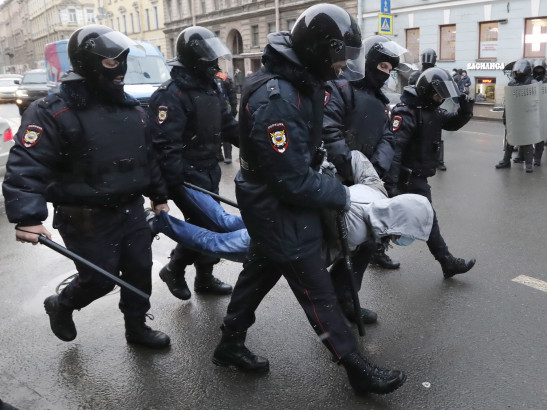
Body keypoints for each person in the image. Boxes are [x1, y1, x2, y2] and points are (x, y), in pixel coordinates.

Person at [211, 4, 406, 395]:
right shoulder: (278, 98)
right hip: (278, 205)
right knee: (316, 289)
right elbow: (291, 180)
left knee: (260, 270)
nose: (341, 67)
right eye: (338, 58)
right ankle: (355, 367)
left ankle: (230, 343)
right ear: (320, 49)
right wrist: (341, 195)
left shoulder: (296, 81)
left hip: (276, 203)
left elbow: (303, 155)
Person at [2, 25, 171, 348]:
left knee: (139, 270)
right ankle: (63, 304)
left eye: (123, 60)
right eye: (111, 62)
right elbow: (27, 163)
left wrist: (159, 197)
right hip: (85, 215)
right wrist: (27, 215)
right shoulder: (53, 111)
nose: (120, 69)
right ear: (89, 62)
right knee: (99, 278)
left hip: (131, 208)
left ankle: (136, 327)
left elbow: (148, 159)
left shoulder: (131, 109)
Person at [147, 151, 434, 326]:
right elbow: (322, 257)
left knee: (224, 222)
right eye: (404, 233)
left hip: (280, 218)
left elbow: (358, 158)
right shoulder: (359, 227)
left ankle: (181, 186)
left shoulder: (375, 194)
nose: (400, 239)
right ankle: (159, 221)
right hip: (283, 236)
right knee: (215, 243)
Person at [149, 26, 240, 300]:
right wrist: (172, 186)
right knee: (205, 226)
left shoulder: (211, 87)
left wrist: (253, 145)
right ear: (193, 60)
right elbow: (165, 145)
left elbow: (226, 124)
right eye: (208, 61)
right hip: (186, 175)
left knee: (207, 225)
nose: (214, 66)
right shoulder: (171, 94)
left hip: (209, 169)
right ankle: (175, 268)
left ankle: (204, 277)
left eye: (215, 60)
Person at [323, 35, 409, 271]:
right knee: (332, 244)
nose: (385, 73)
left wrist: (373, 174)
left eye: (390, 69)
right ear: (368, 62)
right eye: (382, 66)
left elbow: (388, 138)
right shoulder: (340, 88)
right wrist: (349, 170)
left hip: (366, 182)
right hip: (337, 180)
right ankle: (328, 299)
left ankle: (346, 299)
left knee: (366, 243)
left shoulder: (381, 102)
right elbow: (329, 132)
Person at [389, 68, 477, 278]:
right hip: (407, 177)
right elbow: (395, 150)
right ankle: (447, 262)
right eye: (437, 94)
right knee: (426, 218)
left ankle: (374, 252)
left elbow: (453, 122)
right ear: (426, 90)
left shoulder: (432, 110)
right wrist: (391, 185)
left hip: (417, 175)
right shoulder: (407, 112)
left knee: (391, 219)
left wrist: (465, 110)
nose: (440, 99)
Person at [496, 59, 538, 172]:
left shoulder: (532, 83)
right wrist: (505, 115)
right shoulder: (512, 83)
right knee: (510, 139)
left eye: (521, 70)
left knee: (527, 140)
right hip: (513, 116)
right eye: (517, 70)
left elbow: (536, 101)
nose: (519, 72)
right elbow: (508, 102)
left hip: (527, 116)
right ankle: (506, 160)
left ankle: (529, 163)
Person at [215, 68, 238, 164]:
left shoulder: (208, 77)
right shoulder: (224, 77)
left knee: (216, 131)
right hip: (224, 107)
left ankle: (219, 155)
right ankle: (226, 156)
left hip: (215, 108)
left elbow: (231, 94)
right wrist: (233, 108)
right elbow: (232, 94)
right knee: (226, 129)